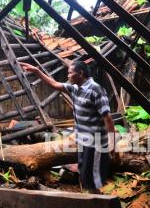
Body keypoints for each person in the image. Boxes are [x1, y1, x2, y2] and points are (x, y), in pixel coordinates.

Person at [19, 61, 115, 192]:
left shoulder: (96, 89)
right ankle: (93, 198)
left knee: (92, 176)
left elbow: (107, 118)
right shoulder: (75, 88)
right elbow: (54, 84)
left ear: (80, 73)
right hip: (82, 139)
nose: (68, 75)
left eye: (70, 72)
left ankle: (98, 200)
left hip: (95, 141)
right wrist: (36, 71)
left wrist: (112, 141)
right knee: (84, 172)